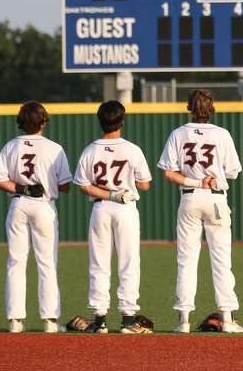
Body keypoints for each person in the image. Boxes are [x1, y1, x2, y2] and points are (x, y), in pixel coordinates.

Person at [157, 88, 243, 333]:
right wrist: (209, 177)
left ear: (189, 107)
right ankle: (227, 319)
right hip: (216, 198)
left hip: (189, 198)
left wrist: (195, 181)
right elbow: (233, 171)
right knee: (221, 260)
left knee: (186, 259)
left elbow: (167, 172)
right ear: (212, 108)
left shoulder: (178, 133)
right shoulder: (222, 134)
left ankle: (183, 321)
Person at [0, 101, 72, 334]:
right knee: (47, 263)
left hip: (18, 204)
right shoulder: (54, 148)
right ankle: (50, 321)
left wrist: (21, 188)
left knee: (16, 262)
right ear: (44, 121)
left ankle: (15, 320)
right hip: (44, 206)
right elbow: (65, 186)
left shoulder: (11, 146)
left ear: (21, 122)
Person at [73, 100, 154, 334]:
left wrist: (108, 193)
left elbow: (83, 185)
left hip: (101, 207)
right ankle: (128, 320)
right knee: (129, 262)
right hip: (126, 208)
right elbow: (145, 184)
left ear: (100, 120)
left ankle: (100, 320)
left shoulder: (90, 149)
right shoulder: (132, 149)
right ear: (122, 120)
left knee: (99, 262)